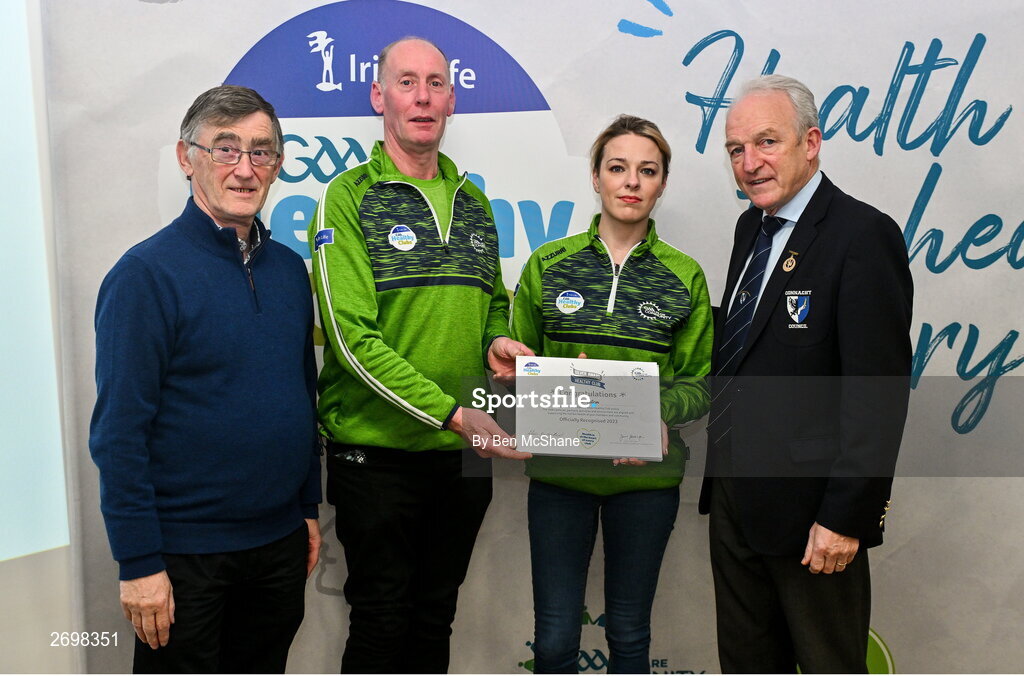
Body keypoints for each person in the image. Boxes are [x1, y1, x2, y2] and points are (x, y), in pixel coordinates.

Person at [308, 36, 533, 673]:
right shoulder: (346, 199)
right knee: (381, 621)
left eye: (435, 83)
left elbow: (493, 301)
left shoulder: (475, 202)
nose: (423, 96)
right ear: (379, 95)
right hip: (377, 457)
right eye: (407, 82)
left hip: (459, 458)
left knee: (436, 619)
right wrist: (454, 414)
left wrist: (496, 339)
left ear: (452, 100)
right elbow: (352, 341)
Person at [89, 85, 322, 673]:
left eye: (262, 152)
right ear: (185, 156)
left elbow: (301, 394)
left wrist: (307, 508)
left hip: (278, 546)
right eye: (225, 149)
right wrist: (139, 562)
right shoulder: (144, 275)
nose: (245, 169)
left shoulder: (291, 271)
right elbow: (119, 433)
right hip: (184, 557)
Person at [699, 75, 913, 673]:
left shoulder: (863, 235)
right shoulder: (752, 229)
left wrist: (846, 517)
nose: (750, 163)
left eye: (766, 142)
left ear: (811, 142)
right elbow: (745, 353)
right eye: (736, 150)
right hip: (737, 501)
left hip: (814, 518)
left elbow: (879, 394)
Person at [510, 115, 714, 673]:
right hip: (560, 478)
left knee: (628, 635)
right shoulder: (548, 266)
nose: (631, 182)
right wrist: (541, 381)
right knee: (553, 640)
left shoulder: (684, 276)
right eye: (617, 167)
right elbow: (512, 367)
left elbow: (699, 385)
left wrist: (652, 410)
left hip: (644, 481)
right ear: (595, 177)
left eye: (647, 171)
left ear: (662, 183)